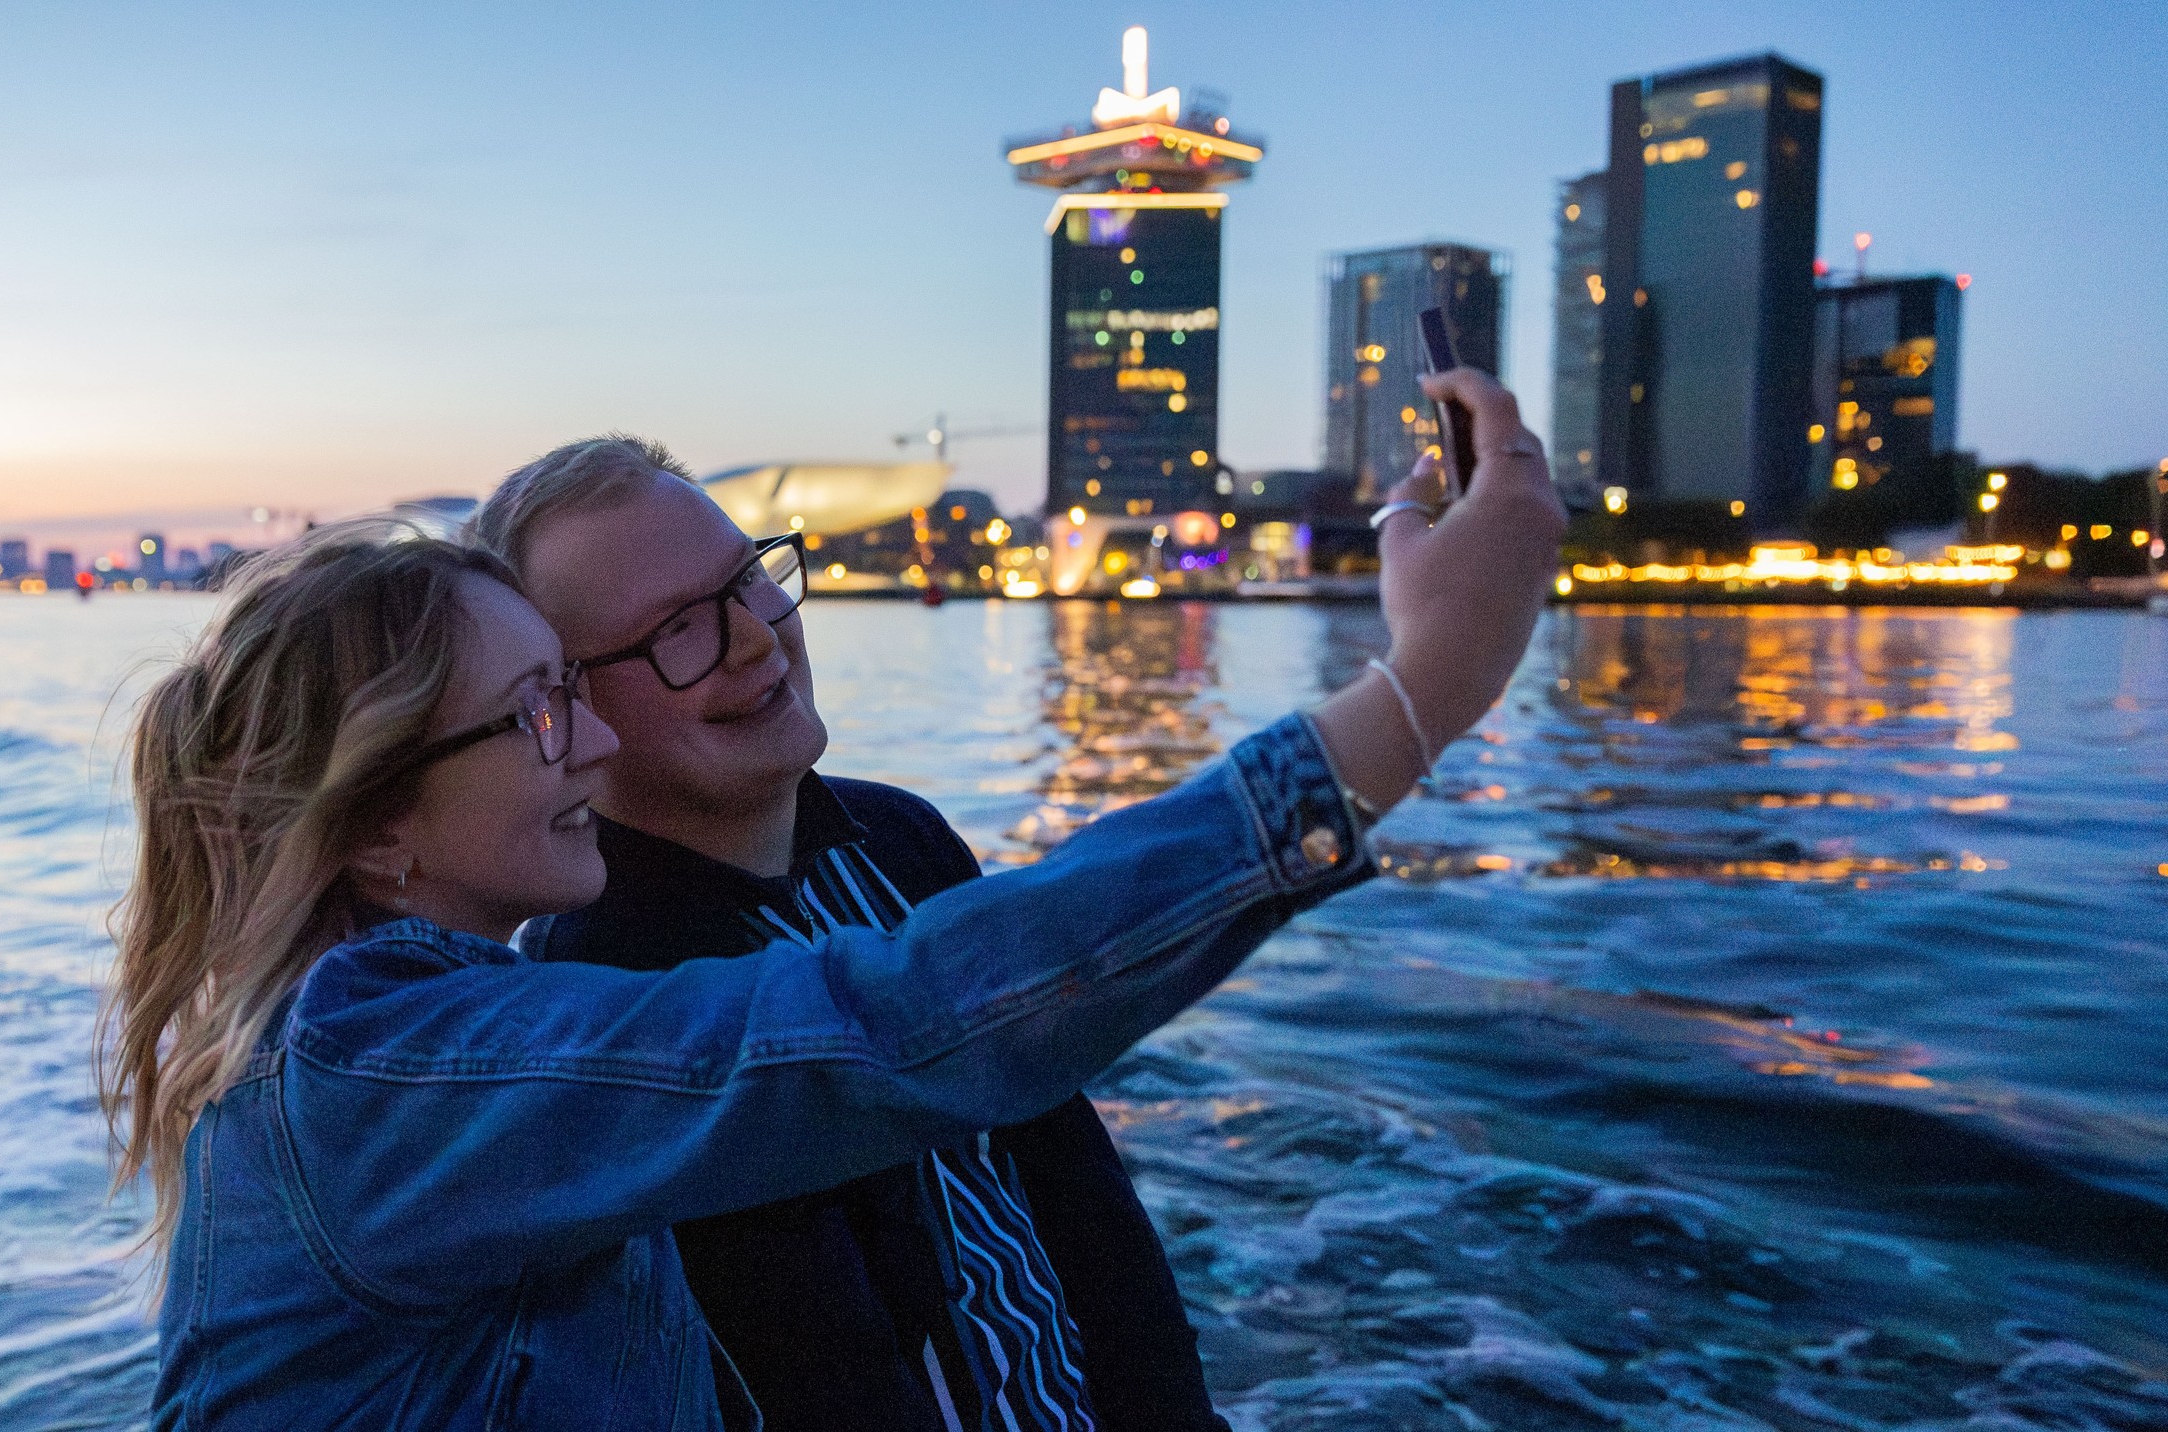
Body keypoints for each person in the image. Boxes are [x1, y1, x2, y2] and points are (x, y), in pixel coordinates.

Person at [100, 369, 1561, 1430]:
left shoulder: (452, 1038)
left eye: (750, 585)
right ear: (377, 830)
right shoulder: (385, 1076)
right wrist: (1421, 694)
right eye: (544, 713)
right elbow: (891, 1031)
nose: (596, 745)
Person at [468, 442, 1192, 1429]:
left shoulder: (906, 838)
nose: (759, 639)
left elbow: (1079, 1193)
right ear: (568, 706)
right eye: (680, 627)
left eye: (751, 578)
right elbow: (803, 1367)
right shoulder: (607, 996)